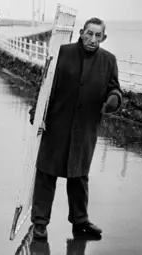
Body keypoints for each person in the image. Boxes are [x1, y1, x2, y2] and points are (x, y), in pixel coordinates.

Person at [28, 17, 123, 239]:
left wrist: (113, 100)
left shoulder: (108, 61)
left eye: (98, 35)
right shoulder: (62, 53)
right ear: (81, 32)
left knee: (79, 176)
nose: (92, 39)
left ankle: (80, 221)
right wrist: (37, 114)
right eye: (89, 33)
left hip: (85, 128)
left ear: (104, 38)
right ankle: (40, 223)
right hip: (56, 124)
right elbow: (44, 86)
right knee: (46, 174)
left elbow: (115, 89)